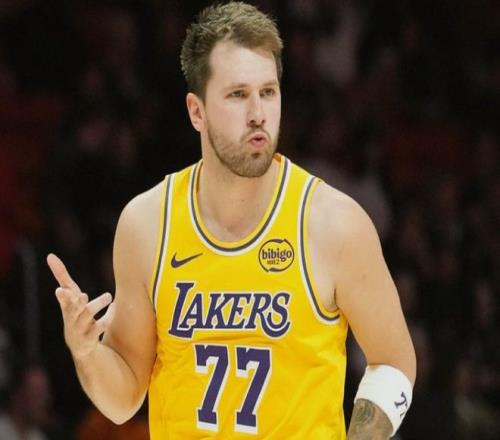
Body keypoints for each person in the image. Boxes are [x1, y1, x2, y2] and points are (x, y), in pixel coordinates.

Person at [47, 2, 416, 438]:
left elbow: (393, 362)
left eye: (269, 92)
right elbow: (124, 397)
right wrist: (87, 352)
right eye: (238, 94)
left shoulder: (334, 223)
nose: (258, 113)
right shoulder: (147, 224)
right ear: (196, 111)